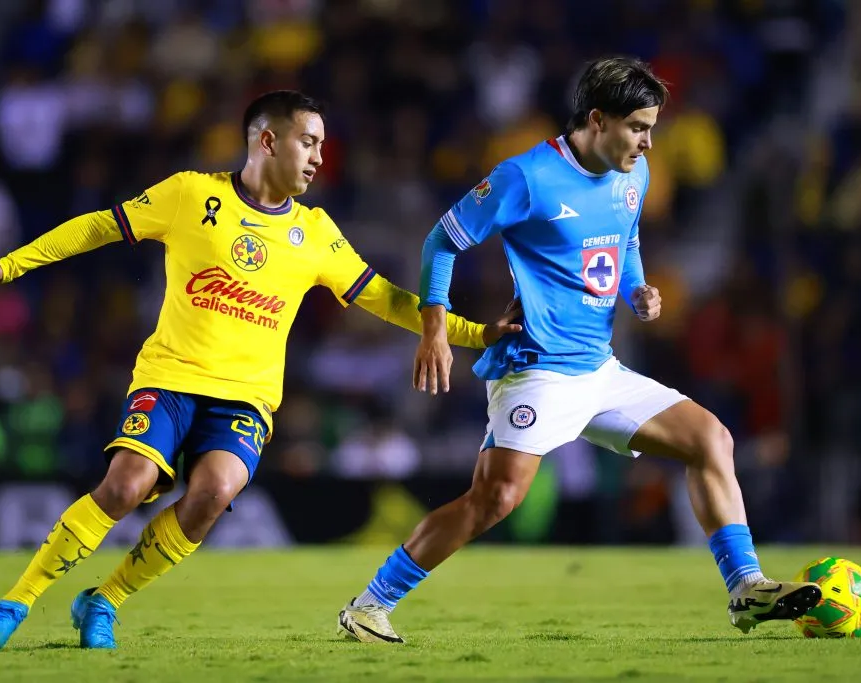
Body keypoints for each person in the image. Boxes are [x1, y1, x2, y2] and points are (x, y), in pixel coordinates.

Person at [0, 90, 521, 651]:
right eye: (310, 141)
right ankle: (17, 600)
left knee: (214, 493)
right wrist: (9, 265)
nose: (321, 156)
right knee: (127, 484)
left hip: (245, 398)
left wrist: (465, 332)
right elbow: (100, 225)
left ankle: (106, 600)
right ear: (268, 140)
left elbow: (385, 298)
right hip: (170, 378)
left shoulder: (316, 233)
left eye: (323, 143)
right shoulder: (190, 195)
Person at [337, 57, 821, 644]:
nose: (647, 142)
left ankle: (746, 586)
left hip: (600, 368)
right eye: (638, 127)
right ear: (597, 119)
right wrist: (434, 328)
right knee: (494, 500)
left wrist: (635, 288)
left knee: (710, 438)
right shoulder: (527, 177)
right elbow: (443, 239)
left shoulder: (634, 173)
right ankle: (369, 604)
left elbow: (626, 237)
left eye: (651, 128)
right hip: (538, 370)